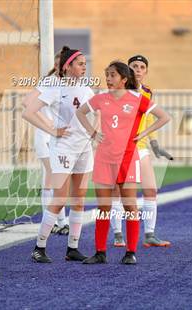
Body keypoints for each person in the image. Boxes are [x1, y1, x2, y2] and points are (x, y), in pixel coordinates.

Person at [76, 61, 170, 264]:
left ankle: (130, 252)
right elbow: (80, 112)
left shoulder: (138, 98)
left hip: (128, 158)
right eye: (106, 74)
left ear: (124, 79)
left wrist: (143, 133)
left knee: (130, 207)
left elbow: (164, 117)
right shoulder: (100, 98)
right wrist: (93, 133)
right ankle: (100, 252)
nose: (108, 79)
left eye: (112, 75)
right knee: (103, 208)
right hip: (104, 158)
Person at [22, 46, 95, 263]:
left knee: (79, 200)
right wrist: (52, 130)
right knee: (60, 197)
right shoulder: (55, 87)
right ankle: (39, 247)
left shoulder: (86, 88)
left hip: (84, 148)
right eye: (80, 63)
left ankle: (72, 247)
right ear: (67, 66)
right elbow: (28, 111)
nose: (84, 67)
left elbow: (97, 112)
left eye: (84, 63)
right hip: (63, 148)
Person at [110, 55, 172, 248]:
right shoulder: (116, 91)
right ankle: (118, 234)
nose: (138, 69)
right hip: (120, 149)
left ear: (146, 71)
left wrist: (153, 142)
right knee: (118, 193)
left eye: (142, 66)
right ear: (127, 70)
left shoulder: (146, 92)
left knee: (151, 189)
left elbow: (149, 118)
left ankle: (150, 235)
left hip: (141, 147)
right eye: (134, 66)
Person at [35, 52, 69, 235]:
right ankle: (58, 221)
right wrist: (48, 125)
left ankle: (59, 221)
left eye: (62, 64)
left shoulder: (69, 86)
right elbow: (31, 107)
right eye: (57, 64)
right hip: (45, 136)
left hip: (60, 138)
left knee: (56, 179)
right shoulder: (47, 83)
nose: (59, 67)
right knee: (53, 178)